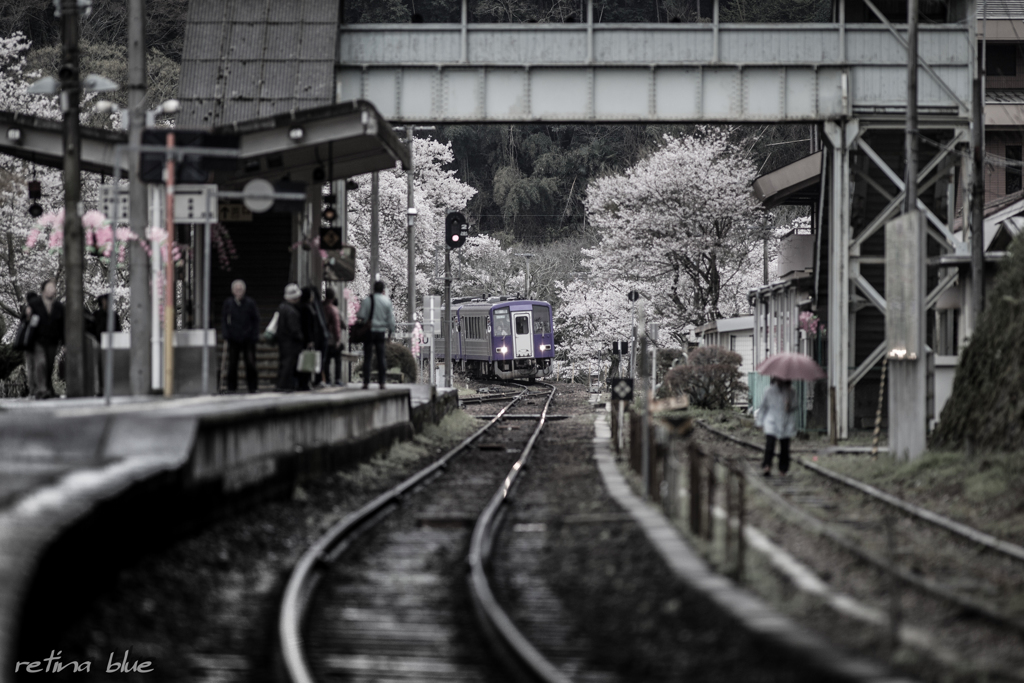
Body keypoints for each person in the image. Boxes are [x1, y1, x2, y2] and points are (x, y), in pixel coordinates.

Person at [221, 280, 261, 393]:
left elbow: (256, 320)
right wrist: (226, 333)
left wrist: (254, 334)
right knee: (232, 364)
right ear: (232, 291)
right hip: (233, 338)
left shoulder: (250, 303)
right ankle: (231, 387)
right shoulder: (228, 303)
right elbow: (224, 319)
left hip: (248, 338)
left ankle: (253, 387)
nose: (239, 292)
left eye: (241, 289)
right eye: (237, 290)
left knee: (251, 363)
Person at [755, 377, 799, 477]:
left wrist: (790, 405)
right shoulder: (769, 390)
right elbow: (763, 407)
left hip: (786, 422)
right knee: (770, 445)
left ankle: (783, 469)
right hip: (771, 421)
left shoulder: (791, 391)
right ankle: (767, 466)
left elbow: (795, 405)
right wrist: (759, 421)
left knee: (785, 447)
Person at [28, 279, 64, 399]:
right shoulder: (34, 303)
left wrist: (64, 340)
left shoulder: (59, 307)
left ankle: (47, 389)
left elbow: (62, 324)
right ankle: (41, 390)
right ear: (43, 290)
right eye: (48, 287)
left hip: (53, 340)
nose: (51, 290)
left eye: (53, 288)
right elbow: (27, 319)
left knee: (49, 364)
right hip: (37, 340)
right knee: (40, 363)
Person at [357, 281, 396, 390]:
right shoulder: (386, 302)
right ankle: (382, 382)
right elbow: (391, 320)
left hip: (369, 332)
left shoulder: (367, 300)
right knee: (381, 357)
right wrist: (390, 333)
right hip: (380, 332)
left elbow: (360, 315)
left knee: (368, 357)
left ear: (373, 289)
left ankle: (366, 382)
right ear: (383, 290)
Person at [275, 284, 304, 391]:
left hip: (283, 340)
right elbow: (294, 329)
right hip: (291, 343)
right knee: (289, 364)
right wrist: (300, 338)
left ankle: (281, 384)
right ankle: (284, 385)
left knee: (284, 363)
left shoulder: (282, 307)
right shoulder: (292, 311)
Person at [20, 291, 41, 397]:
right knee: (37, 366)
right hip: (37, 342)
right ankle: (37, 389)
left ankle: (33, 389)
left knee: (30, 367)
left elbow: (22, 322)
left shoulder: (26, 309)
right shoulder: (39, 309)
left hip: (27, 342)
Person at [322, 289, 344, 386]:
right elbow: (337, 326)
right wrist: (338, 339)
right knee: (337, 360)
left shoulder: (321, 307)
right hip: (332, 339)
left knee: (326, 361)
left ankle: (327, 379)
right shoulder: (334, 309)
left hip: (322, 338)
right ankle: (337, 379)